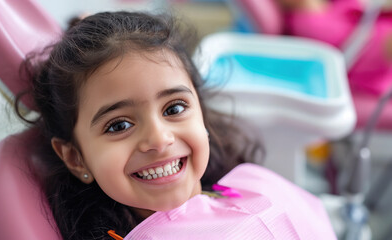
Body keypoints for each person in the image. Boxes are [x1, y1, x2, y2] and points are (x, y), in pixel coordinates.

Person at [17, 11, 335, 239]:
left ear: (201, 112)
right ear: (76, 158)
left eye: (175, 108)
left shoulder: (255, 186)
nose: (159, 138)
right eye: (118, 126)